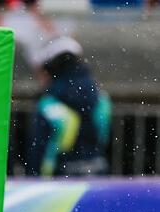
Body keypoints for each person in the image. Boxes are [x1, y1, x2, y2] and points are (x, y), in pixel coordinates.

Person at [26, 36, 111, 177]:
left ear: (51, 68)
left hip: (58, 183)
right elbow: (103, 138)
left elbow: (38, 153)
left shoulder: (48, 105)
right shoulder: (101, 99)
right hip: (98, 173)